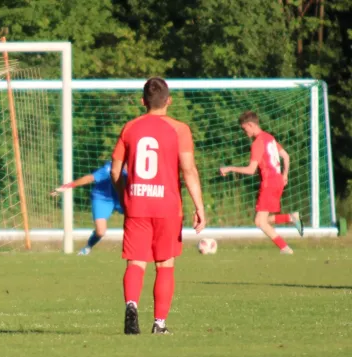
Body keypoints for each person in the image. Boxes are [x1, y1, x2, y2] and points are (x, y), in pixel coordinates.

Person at [110, 77, 205, 335]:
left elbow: (116, 169)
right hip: (168, 208)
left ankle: (131, 305)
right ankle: (159, 324)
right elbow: (188, 170)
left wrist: (123, 196)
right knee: (165, 264)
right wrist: (199, 207)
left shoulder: (130, 128)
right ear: (169, 101)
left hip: (137, 204)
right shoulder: (179, 129)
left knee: (135, 263)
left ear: (143, 102)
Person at [219, 111, 303, 254]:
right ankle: (290, 217)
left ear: (250, 125)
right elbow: (286, 156)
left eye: (244, 128)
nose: (244, 132)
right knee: (262, 219)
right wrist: (285, 174)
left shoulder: (257, 143)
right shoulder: (269, 138)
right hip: (278, 181)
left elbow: (251, 170)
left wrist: (230, 168)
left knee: (260, 222)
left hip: (269, 182)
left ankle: (285, 248)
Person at [51, 161, 126, 255]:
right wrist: (67, 186)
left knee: (140, 220)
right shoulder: (111, 168)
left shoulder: (139, 169)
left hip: (122, 197)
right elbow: (90, 178)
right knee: (100, 231)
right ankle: (88, 247)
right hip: (102, 198)